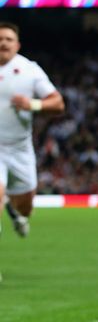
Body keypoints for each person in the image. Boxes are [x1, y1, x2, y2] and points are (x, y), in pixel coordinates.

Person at [0, 21, 65, 239]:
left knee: (25, 208)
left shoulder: (29, 70)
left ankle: (15, 212)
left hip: (20, 149)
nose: (3, 43)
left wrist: (33, 105)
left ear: (17, 45)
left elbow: (58, 104)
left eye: (8, 39)